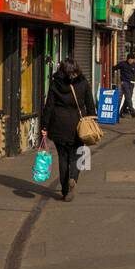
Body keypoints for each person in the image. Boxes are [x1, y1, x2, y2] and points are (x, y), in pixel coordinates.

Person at [41, 58, 97, 201]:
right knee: (77, 155)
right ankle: (73, 178)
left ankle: (65, 190)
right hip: (78, 125)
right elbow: (90, 104)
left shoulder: (55, 83)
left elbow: (49, 106)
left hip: (59, 125)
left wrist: (44, 126)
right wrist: (92, 121)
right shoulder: (83, 82)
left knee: (62, 157)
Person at [116, 52, 135, 118]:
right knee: (128, 97)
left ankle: (121, 111)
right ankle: (132, 112)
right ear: (127, 59)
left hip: (132, 83)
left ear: (133, 60)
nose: (130, 60)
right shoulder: (122, 64)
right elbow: (114, 68)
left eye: (132, 59)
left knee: (128, 98)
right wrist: (114, 75)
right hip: (124, 82)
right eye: (129, 59)